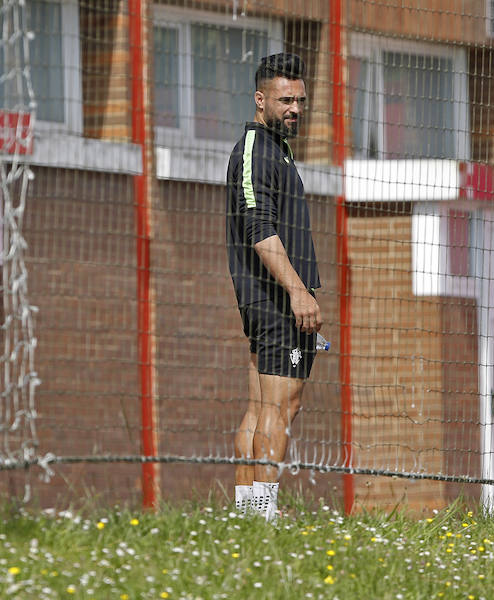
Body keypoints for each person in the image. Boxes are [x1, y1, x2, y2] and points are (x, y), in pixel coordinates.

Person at [226, 53, 322, 521]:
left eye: (301, 100)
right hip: (275, 302)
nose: (295, 108)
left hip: (276, 301)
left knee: (264, 406)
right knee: (281, 408)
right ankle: (262, 516)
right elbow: (257, 227)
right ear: (260, 99)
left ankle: (248, 516)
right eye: (286, 100)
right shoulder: (256, 149)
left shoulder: (277, 148)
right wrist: (298, 292)